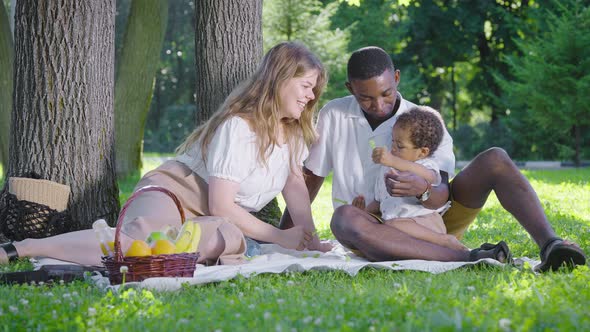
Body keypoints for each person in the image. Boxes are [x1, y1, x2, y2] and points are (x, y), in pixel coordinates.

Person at [0, 42, 331, 266]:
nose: (311, 95)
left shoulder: (293, 132)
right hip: (173, 192)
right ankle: (24, 247)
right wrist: (278, 236)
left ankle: (228, 244)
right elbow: (221, 203)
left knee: (225, 237)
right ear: (280, 79)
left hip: (216, 219)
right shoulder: (239, 127)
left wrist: (309, 240)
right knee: (140, 244)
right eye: (306, 85)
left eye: (314, 88)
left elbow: (296, 187)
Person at [280, 46, 585, 271]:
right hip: (374, 226)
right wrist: (282, 237)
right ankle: (471, 258)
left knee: (495, 158)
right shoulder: (334, 113)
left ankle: (551, 245)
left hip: (433, 222)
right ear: (351, 89)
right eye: (366, 97)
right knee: (343, 217)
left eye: (386, 93)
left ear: (397, 78)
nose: (379, 104)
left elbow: (441, 192)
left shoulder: (425, 120)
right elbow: (310, 178)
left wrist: (420, 189)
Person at [352, 106, 468, 252]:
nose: (393, 148)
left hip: (425, 223)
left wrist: (392, 161)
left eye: (399, 146)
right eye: (393, 141)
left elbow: (430, 177)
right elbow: (379, 202)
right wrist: (361, 213)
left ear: (422, 152)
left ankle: (445, 241)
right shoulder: (386, 170)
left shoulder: (423, 164)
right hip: (400, 226)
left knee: (391, 226)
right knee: (383, 230)